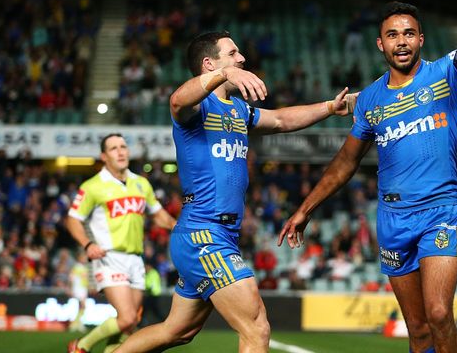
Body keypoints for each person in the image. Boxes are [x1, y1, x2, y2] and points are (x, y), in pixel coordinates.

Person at [278, 0, 457, 353]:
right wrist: (304, 210)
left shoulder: (446, 76)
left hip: (440, 211)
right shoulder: (368, 101)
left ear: (420, 39)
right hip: (392, 220)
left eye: (408, 33)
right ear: (380, 44)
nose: (401, 41)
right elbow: (345, 164)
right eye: (392, 35)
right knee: (418, 330)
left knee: (440, 314)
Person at [114, 30, 356, 353]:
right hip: (204, 233)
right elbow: (176, 100)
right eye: (232, 54)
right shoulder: (195, 109)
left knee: (176, 331)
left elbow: (282, 120)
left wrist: (329, 106)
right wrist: (225, 74)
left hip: (219, 234)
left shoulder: (239, 110)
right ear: (209, 63)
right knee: (257, 329)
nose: (241, 59)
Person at [66, 133, 177, 353]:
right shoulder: (93, 186)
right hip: (109, 257)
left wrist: (177, 225)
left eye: (123, 146)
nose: (121, 151)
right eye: (114, 148)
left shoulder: (141, 183)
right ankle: (81, 346)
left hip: (136, 259)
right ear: (104, 156)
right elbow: (72, 219)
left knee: (129, 323)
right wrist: (88, 245)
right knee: (126, 318)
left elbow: (158, 215)